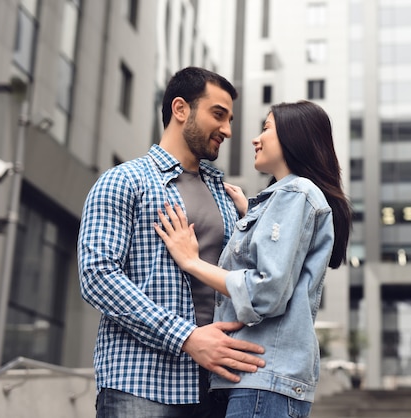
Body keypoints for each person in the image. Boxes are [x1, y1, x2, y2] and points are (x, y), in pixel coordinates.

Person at [77, 66, 265, 418]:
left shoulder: (226, 196)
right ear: (181, 109)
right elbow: (97, 276)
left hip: (219, 385)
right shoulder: (123, 181)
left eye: (230, 119)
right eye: (218, 115)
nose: (227, 130)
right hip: (141, 383)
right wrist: (187, 337)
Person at [154, 100, 353, 417]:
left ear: (293, 137)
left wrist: (191, 262)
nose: (255, 138)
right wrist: (254, 215)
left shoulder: (297, 193)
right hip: (259, 379)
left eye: (267, 128)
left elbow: (265, 291)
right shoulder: (286, 197)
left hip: (264, 379)